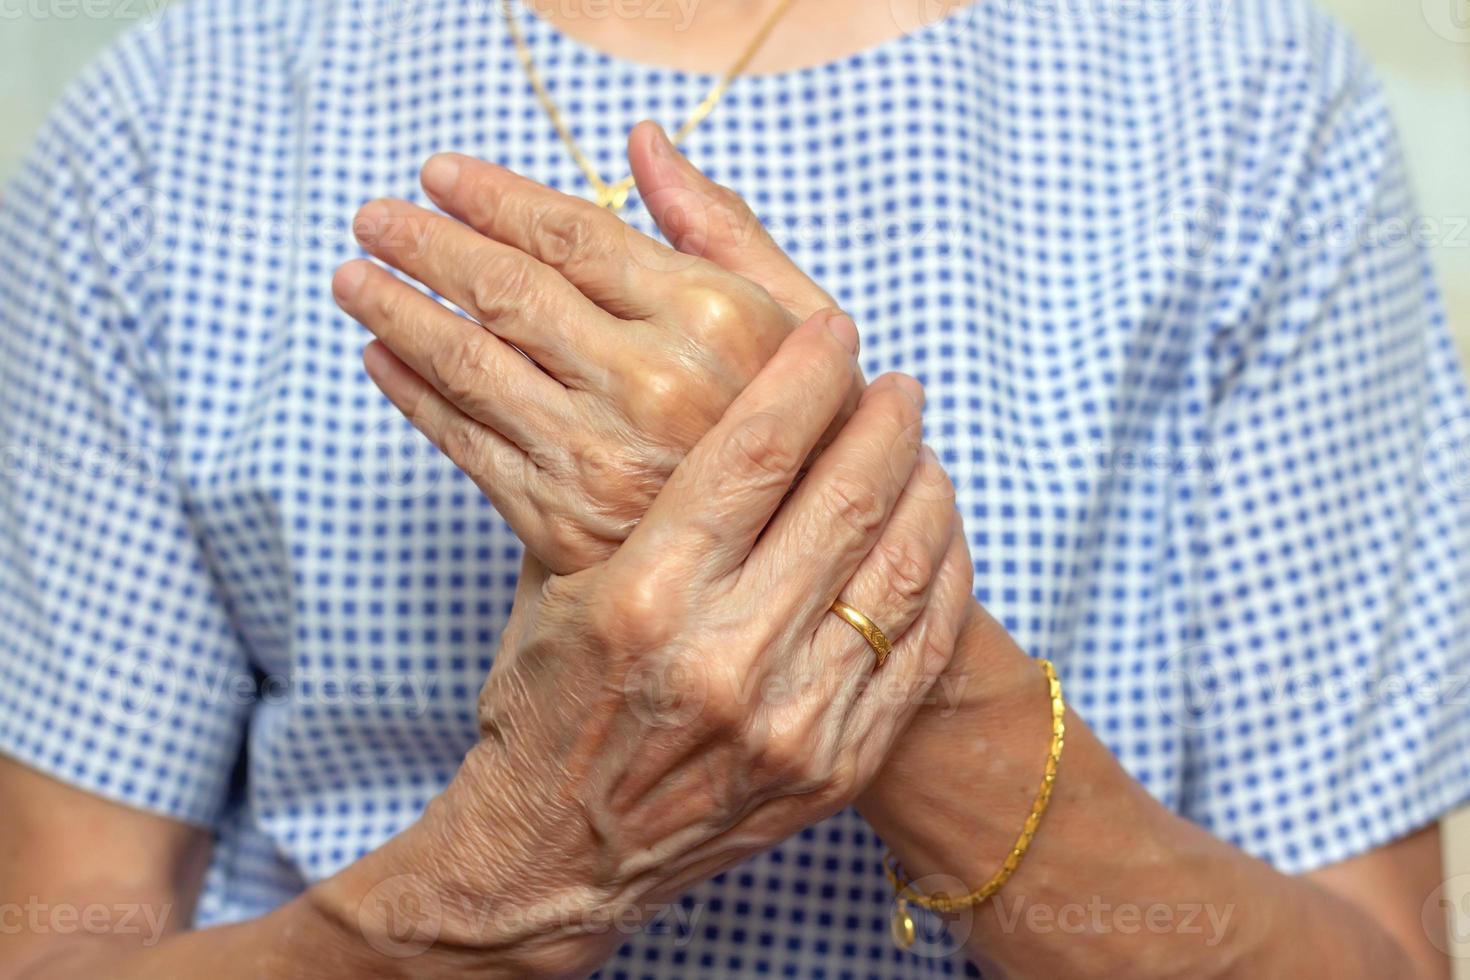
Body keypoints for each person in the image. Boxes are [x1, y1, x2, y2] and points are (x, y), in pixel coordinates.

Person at [1, 0, 1467, 977]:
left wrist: (861, 632)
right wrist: (485, 889)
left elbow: (1364, 955)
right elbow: (62, 932)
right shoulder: (177, 114)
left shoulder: (1243, 97)